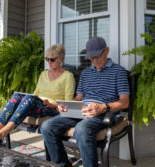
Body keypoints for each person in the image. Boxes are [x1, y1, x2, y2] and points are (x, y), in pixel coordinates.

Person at [40, 37, 130, 167]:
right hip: (81, 110)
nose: (94, 61)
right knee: (47, 127)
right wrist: (66, 105)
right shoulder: (86, 73)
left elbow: (124, 102)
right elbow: (78, 98)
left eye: (97, 56)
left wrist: (103, 107)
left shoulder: (118, 72)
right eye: (91, 58)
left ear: (107, 51)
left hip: (103, 113)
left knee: (81, 129)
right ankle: (62, 164)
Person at [0, 44, 75, 145]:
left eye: (52, 60)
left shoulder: (68, 77)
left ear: (61, 59)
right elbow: (36, 93)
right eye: (47, 59)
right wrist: (32, 99)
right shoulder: (44, 74)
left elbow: (68, 103)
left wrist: (54, 104)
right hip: (37, 104)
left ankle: (2, 134)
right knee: (17, 96)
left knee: (29, 99)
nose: (49, 62)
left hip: (52, 109)